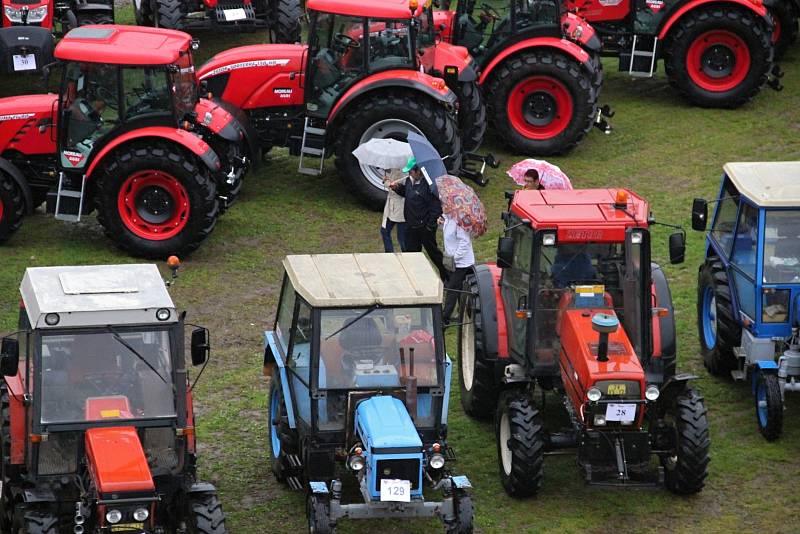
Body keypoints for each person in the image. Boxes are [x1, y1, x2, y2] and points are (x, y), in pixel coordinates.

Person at [390, 157, 448, 280]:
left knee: (434, 255)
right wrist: (396, 188)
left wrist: (429, 226)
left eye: (410, 171)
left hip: (424, 228)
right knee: (411, 257)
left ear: (418, 171)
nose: (408, 173)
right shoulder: (408, 181)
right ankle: (415, 280)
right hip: (410, 227)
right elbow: (406, 192)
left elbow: (436, 208)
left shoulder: (429, 186)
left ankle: (447, 277)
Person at [441, 213, 475, 326]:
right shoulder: (448, 218)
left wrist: (454, 258)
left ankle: (444, 319)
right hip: (453, 262)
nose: (443, 206)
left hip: (461, 263)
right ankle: (465, 313)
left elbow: (465, 242)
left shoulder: (460, 222)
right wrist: (442, 223)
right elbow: (450, 235)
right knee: (459, 289)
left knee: (452, 289)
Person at [381, 168, 407, 252]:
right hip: (391, 207)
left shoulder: (404, 171)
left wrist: (390, 184)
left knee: (402, 238)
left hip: (400, 208)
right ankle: (389, 254)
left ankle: (408, 256)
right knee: (384, 231)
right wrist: (386, 180)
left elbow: (404, 191)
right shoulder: (394, 168)